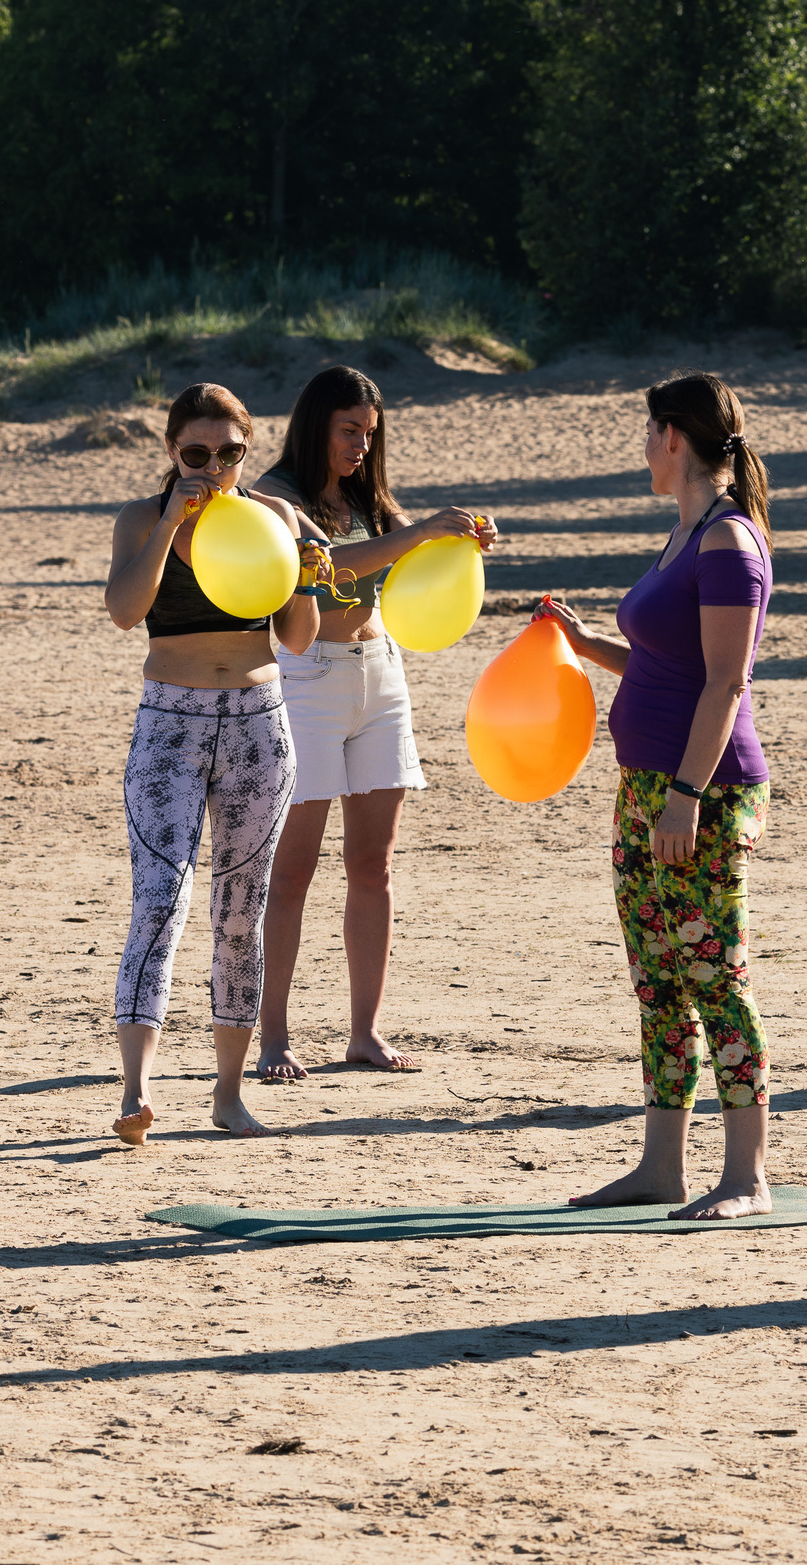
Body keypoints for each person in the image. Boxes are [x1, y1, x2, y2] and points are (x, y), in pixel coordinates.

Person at [542, 371, 776, 1220]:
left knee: (716, 973)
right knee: (658, 980)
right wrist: (581, 641)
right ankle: (660, 1165)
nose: (643, 448)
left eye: (648, 433)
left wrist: (686, 794)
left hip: (701, 794)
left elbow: (725, 683)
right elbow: (664, 665)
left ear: (673, 436)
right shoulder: (683, 536)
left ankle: (746, 1175)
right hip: (645, 789)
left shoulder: (727, 543)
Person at [247, 366, 499, 1079]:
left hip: (380, 675)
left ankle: (364, 1031)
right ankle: (272, 1036)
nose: (361, 445)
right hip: (307, 681)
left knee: (372, 865)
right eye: (349, 430)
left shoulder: (368, 496)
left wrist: (461, 540)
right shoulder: (275, 498)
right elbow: (325, 571)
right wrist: (419, 531)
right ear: (316, 425)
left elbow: (406, 561)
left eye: (369, 433)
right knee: (291, 871)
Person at [101, 383, 329, 1144]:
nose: (213, 468)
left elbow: (297, 636)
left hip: (259, 726)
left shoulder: (274, 517)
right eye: (196, 453)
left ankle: (229, 1095)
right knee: (160, 896)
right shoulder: (140, 517)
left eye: (230, 453)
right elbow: (126, 608)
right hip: (171, 718)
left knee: (241, 913)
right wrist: (172, 522)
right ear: (172, 450)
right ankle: (136, 1089)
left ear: (246, 450)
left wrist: (303, 569)